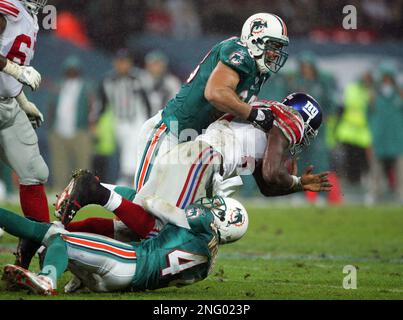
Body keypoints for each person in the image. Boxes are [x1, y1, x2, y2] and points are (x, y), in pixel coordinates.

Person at [55, 93, 332, 243]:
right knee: (160, 234)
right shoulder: (291, 121)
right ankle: (94, 191)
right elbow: (273, 174)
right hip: (203, 162)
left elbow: (265, 185)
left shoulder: (265, 119)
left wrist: (295, 183)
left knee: (135, 228)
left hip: (193, 157)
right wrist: (290, 178)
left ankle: (57, 236)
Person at [134, 13, 290, 194]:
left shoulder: (259, 74)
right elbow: (215, 93)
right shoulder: (239, 52)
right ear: (256, 38)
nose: (275, 53)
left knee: (174, 212)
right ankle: (102, 193)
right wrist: (256, 115)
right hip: (170, 132)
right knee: (143, 208)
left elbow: (232, 112)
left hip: (194, 145)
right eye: (273, 46)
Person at [0, 195, 248, 295]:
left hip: (128, 259)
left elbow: (153, 203)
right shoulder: (207, 267)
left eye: (218, 208)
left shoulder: (202, 222)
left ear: (225, 222)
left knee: (58, 236)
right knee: (47, 231)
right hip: (120, 285)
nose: (211, 206)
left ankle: (47, 279)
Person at [0, 0, 50, 269]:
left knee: (34, 171)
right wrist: (16, 70)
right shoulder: (9, 8)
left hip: (7, 105)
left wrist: (22, 101)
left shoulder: (30, 17)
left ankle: (39, 248)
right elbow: (12, 67)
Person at [100, 49, 151, 186]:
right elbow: (103, 103)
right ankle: (134, 178)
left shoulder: (139, 77)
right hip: (119, 121)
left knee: (132, 147)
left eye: (125, 61)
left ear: (130, 63)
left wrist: (149, 120)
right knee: (127, 150)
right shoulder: (108, 80)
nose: (122, 65)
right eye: (120, 61)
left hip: (137, 120)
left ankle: (126, 178)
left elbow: (147, 101)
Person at [48, 55, 96, 191]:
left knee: (82, 164)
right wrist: (51, 127)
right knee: (59, 164)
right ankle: (59, 189)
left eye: (74, 69)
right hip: (59, 129)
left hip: (80, 129)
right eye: (69, 69)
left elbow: (92, 107)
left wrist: (90, 127)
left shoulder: (86, 86)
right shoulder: (58, 86)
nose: (71, 72)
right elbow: (51, 106)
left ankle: (82, 191)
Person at [367, 61, 403, 204]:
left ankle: (400, 193)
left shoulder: (399, 95)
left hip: (397, 137)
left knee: (400, 168)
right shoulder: (374, 95)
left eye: (389, 77)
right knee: (376, 168)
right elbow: (368, 115)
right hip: (379, 137)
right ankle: (374, 192)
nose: (387, 80)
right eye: (384, 77)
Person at [142, 50, 181, 116]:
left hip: (166, 119)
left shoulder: (173, 82)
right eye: (153, 64)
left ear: (164, 66)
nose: (156, 68)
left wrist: (173, 124)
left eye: (159, 64)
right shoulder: (140, 81)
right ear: (147, 66)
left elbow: (177, 105)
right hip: (143, 121)